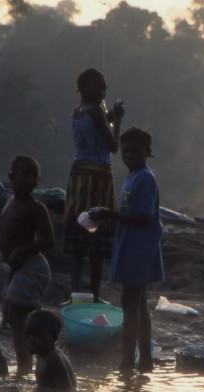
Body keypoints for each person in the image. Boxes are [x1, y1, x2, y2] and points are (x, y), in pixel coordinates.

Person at [89, 127, 163, 375]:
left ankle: (127, 361)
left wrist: (109, 214)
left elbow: (142, 218)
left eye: (135, 150)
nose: (129, 155)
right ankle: (143, 361)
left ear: (147, 152)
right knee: (138, 303)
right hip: (132, 247)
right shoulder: (132, 177)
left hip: (139, 250)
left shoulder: (144, 178)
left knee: (130, 303)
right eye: (126, 150)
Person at [0, 155, 55, 376]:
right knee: (18, 320)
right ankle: (24, 369)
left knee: (21, 320)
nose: (28, 180)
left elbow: (48, 240)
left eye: (33, 177)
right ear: (11, 177)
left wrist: (20, 251)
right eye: (24, 175)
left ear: (38, 180)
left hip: (33, 266)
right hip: (19, 267)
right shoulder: (10, 203)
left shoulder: (36, 208)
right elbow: (7, 239)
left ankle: (25, 370)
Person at [64, 68, 125, 304]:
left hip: (78, 175)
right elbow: (112, 145)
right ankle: (96, 295)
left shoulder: (76, 112)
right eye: (98, 87)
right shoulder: (97, 110)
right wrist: (117, 121)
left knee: (79, 236)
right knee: (96, 239)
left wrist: (109, 117)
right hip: (98, 177)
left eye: (105, 89)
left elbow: (96, 126)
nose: (102, 92)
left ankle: (75, 292)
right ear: (84, 86)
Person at [25, 309, 76, 392]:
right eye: (28, 335)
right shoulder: (42, 356)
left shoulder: (53, 360)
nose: (31, 340)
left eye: (38, 336)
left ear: (53, 338)